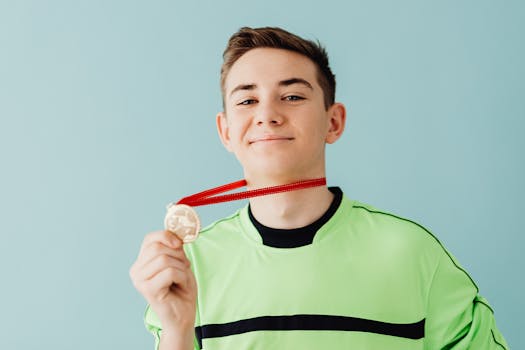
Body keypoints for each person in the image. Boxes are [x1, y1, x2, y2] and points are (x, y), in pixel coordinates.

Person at [129, 26, 509, 350]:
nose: (267, 115)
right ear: (226, 132)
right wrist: (177, 330)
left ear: (334, 121)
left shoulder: (413, 254)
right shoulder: (190, 268)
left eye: (292, 96)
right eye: (247, 100)